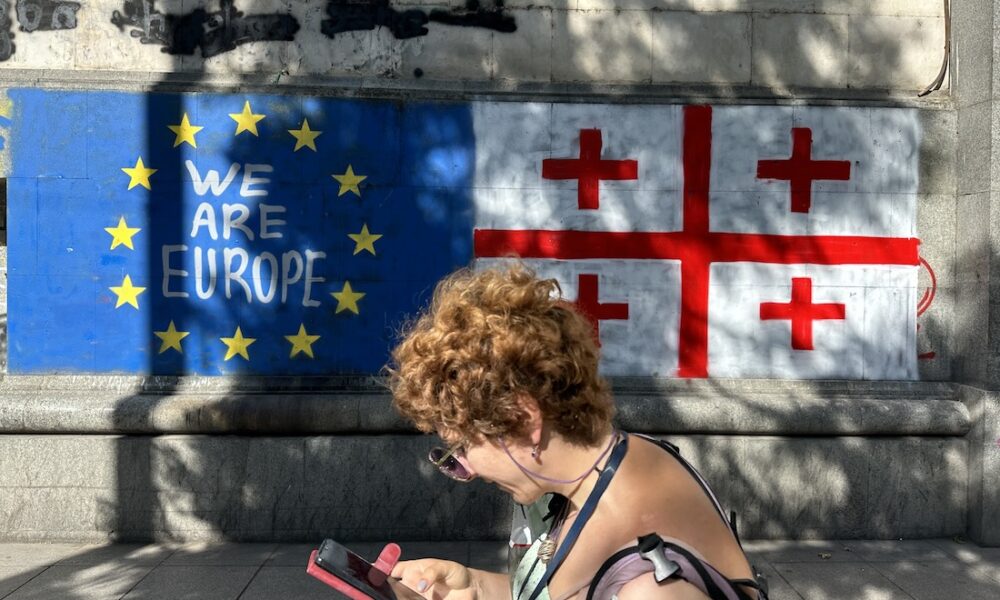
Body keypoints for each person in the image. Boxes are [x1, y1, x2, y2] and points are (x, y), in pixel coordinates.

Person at [386, 263, 767, 600]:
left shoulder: (651, 587)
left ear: (523, 419)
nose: (466, 471)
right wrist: (473, 587)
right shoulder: (601, 471)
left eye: (462, 447)